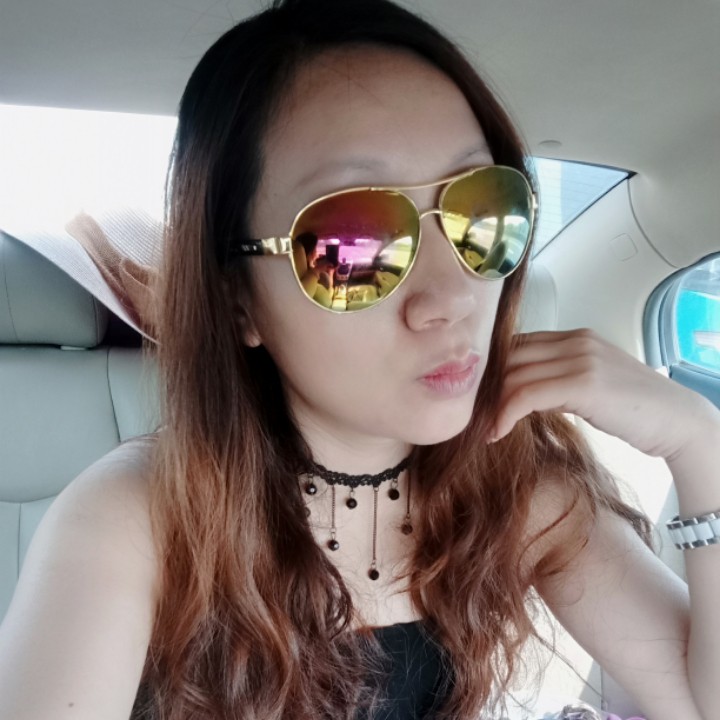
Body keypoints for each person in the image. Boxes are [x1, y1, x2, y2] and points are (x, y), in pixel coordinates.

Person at [1, 0, 719, 719]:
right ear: (238, 299)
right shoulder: (139, 519)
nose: (451, 297)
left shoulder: (517, 485)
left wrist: (698, 443)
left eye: (481, 214)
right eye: (352, 245)